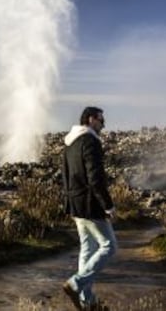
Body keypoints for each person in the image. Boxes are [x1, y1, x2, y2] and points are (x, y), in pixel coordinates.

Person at [62, 106, 117, 311]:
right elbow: (96, 179)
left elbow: (65, 177)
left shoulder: (70, 143)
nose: (103, 125)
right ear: (91, 119)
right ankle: (76, 284)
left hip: (76, 205)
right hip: (90, 205)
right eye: (101, 121)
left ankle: (87, 301)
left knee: (87, 249)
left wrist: (69, 204)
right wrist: (108, 205)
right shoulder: (90, 141)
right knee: (109, 246)